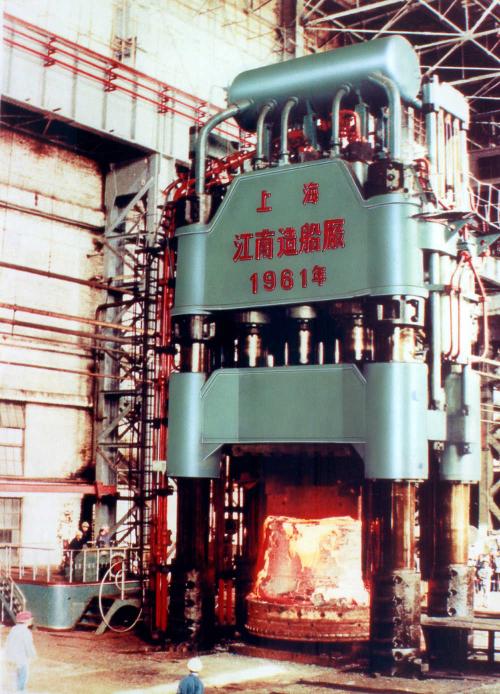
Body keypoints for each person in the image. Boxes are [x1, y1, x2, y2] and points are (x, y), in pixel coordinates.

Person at [4, 611, 36, 692]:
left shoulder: (13, 629)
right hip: (21, 660)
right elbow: (28, 646)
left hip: (11, 659)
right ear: (27, 620)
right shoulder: (26, 632)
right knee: (22, 681)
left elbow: (8, 643)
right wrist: (33, 655)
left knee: (13, 680)